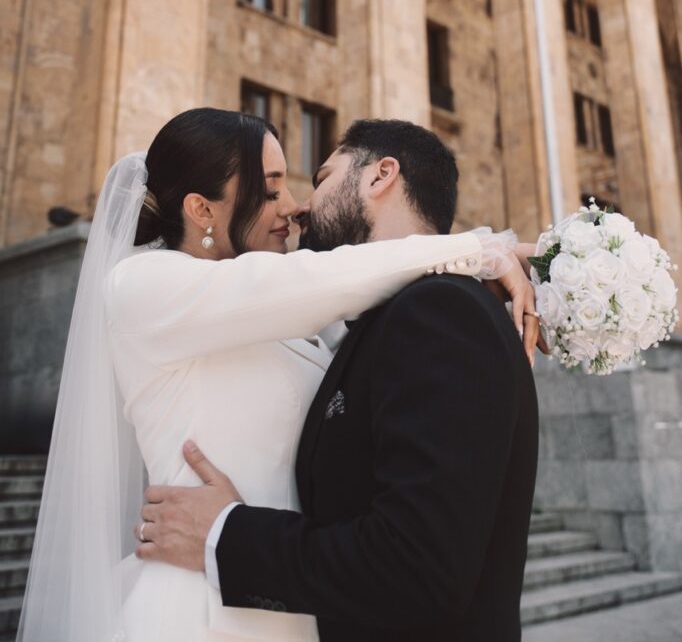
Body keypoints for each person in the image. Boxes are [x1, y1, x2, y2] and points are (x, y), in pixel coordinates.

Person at [17, 109, 538, 642]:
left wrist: (488, 264)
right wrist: (479, 251)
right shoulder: (145, 287)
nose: (295, 208)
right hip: (199, 610)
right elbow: (315, 278)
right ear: (201, 210)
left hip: (287, 599)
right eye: (270, 192)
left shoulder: (288, 324)